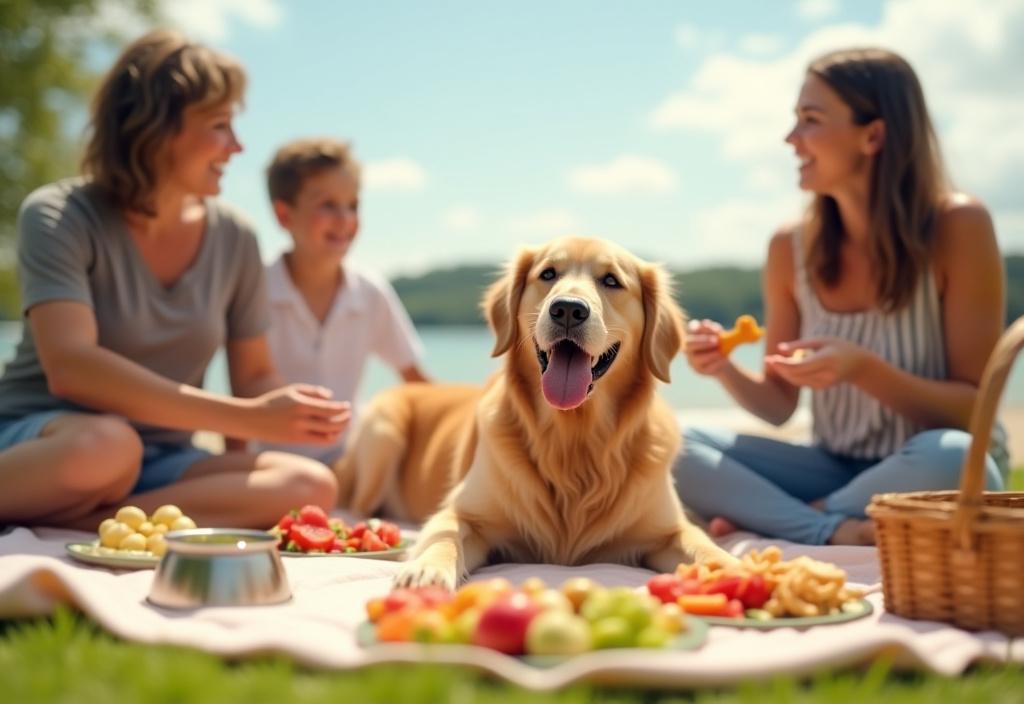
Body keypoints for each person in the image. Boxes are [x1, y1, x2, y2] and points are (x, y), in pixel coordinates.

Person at [0, 30, 348, 531]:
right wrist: (250, 415)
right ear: (157, 129)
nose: (237, 146)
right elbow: (71, 367)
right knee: (107, 447)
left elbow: (253, 376)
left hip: (162, 459)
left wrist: (291, 411)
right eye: (220, 125)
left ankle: (95, 524)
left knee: (309, 485)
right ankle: (74, 511)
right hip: (51, 445)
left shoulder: (235, 237)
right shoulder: (59, 214)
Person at [675, 47, 1008, 546]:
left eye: (810, 120)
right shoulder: (790, 247)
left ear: (872, 136)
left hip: (930, 468)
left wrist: (861, 369)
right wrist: (723, 368)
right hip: (833, 468)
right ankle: (828, 527)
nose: (791, 138)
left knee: (955, 455)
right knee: (669, 443)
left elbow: (972, 411)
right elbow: (778, 406)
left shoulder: (958, 225)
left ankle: (788, 520)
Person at [256, 138, 428, 464]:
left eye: (353, 205)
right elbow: (242, 391)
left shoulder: (370, 291)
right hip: (271, 463)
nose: (345, 218)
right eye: (327, 205)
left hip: (350, 460)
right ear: (284, 215)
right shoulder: (255, 288)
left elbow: (417, 384)